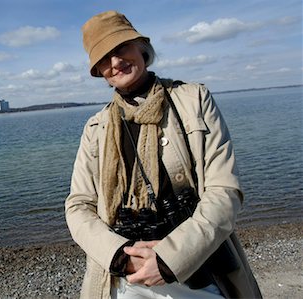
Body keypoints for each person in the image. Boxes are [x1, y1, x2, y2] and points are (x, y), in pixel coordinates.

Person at [65, 10, 262, 299]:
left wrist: (171, 259)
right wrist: (120, 256)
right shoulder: (96, 128)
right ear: (100, 73)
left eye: (121, 48)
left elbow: (225, 190)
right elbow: (78, 206)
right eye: (104, 59)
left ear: (142, 48)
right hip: (123, 278)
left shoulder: (193, 100)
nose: (116, 62)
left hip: (199, 269)